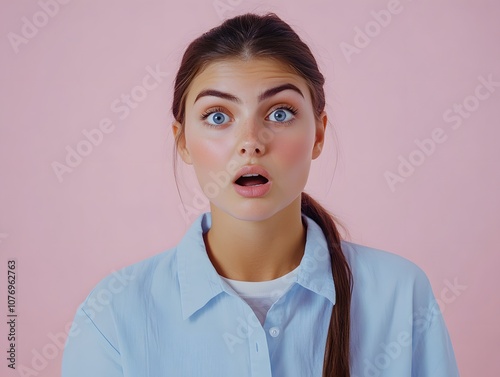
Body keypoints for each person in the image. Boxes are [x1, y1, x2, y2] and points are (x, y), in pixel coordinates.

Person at [61, 12, 459, 377]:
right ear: (182, 142)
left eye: (279, 113)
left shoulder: (400, 295)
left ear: (318, 134)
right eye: (218, 117)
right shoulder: (113, 315)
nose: (250, 142)